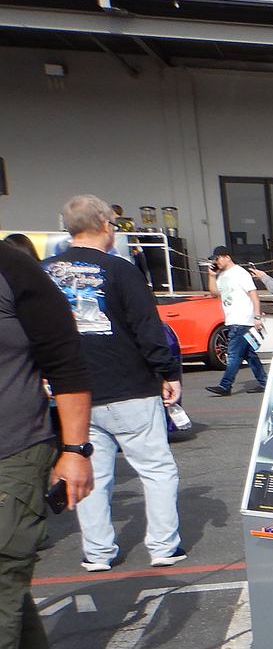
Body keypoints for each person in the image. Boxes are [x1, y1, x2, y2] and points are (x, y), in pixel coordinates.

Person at [42, 195, 184, 572]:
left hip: (72, 393)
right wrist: (168, 372)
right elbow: (147, 328)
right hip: (129, 385)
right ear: (106, 225)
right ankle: (163, 546)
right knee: (155, 469)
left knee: (93, 473)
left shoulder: (43, 273)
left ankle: (99, 552)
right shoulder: (121, 270)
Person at [0, 241, 95, 649]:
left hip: (13, 449)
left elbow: (67, 363)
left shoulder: (10, 266)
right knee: (3, 574)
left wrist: (76, 449)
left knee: (0, 564)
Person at [204, 246, 267, 396]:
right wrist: (211, 276)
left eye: (217, 258)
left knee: (233, 354)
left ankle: (225, 385)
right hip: (232, 319)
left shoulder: (240, 273)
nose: (216, 262)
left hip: (242, 319)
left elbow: (253, 294)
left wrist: (257, 316)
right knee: (249, 354)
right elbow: (214, 293)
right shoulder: (223, 275)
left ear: (227, 257)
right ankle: (264, 381)